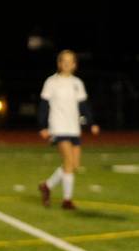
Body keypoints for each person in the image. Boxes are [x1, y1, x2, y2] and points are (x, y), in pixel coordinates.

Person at [38, 49, 99, 210]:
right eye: (63, 61)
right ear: (59, 64)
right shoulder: (51, 82)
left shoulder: (77, 83)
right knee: (68, 161)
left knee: (74, 165)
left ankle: (47, 185)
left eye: (70, 61)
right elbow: (44, 106)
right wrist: (43, 126)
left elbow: (83, 106)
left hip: (74, 128)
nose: (67, 64)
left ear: (74, 65)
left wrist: (91, 123)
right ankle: (67, 200)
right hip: (58, 127)